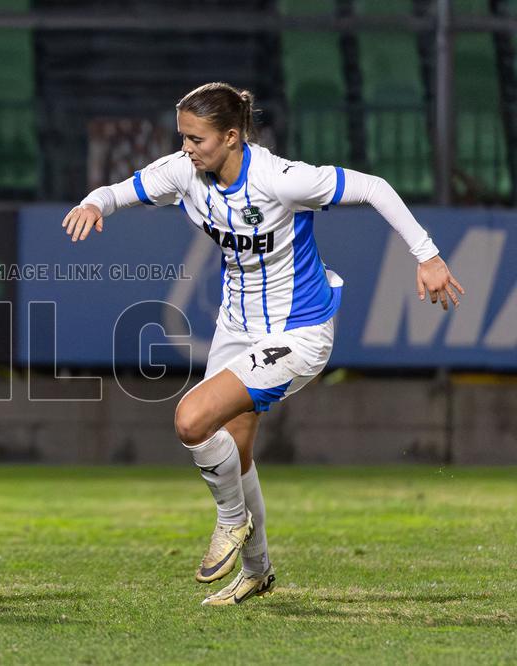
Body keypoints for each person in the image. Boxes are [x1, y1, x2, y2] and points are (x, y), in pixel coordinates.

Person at [61, 82, 463, 606]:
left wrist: (427, 255)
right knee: (237, 448)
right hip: (236, 328)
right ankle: (258, 571)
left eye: (197, 139)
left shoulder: (280, 179)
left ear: (232, 137)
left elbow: (374, 187)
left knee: (191, 420)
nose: (186, 148)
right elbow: (119, 192)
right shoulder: (185, 171)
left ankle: (231, 522)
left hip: (299, 331)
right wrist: (94, 203)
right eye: (182, 136)